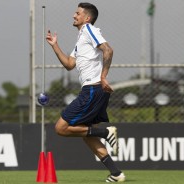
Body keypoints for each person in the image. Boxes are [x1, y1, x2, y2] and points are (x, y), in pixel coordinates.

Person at [46, 2, 126, 182]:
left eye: (77, 13)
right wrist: (54, 45)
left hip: (93, 88)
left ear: (87, 18)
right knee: (86, 134)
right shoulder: (80, 38)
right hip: (94, 89)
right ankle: (116, 173)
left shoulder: (90, 30)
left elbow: (108, 50)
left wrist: (104, 77)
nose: (74, 15)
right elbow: (69, 64)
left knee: (61, 128)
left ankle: (106, 133)